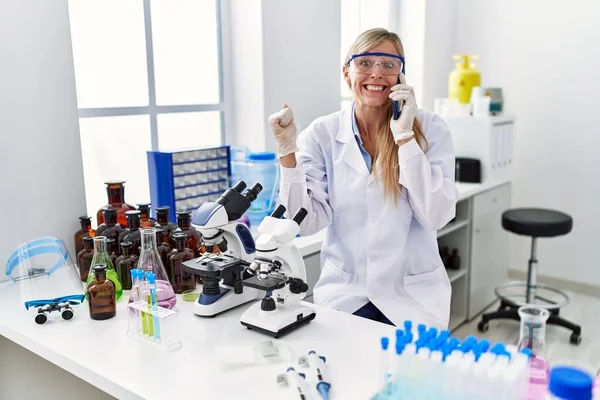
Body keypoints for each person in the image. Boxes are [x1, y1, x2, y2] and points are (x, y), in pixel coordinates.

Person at [267, 28, 458, 329]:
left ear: (401, 77)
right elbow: (304, 223)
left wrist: (405, 138)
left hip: (412, 298)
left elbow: (437, 215)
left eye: (388, 64)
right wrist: (287, 151)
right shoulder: (322, 134)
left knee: (406, 376)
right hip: (348, 296)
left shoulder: (431, 129)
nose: (377, 73)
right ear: (347, 73)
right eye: (366, 63)